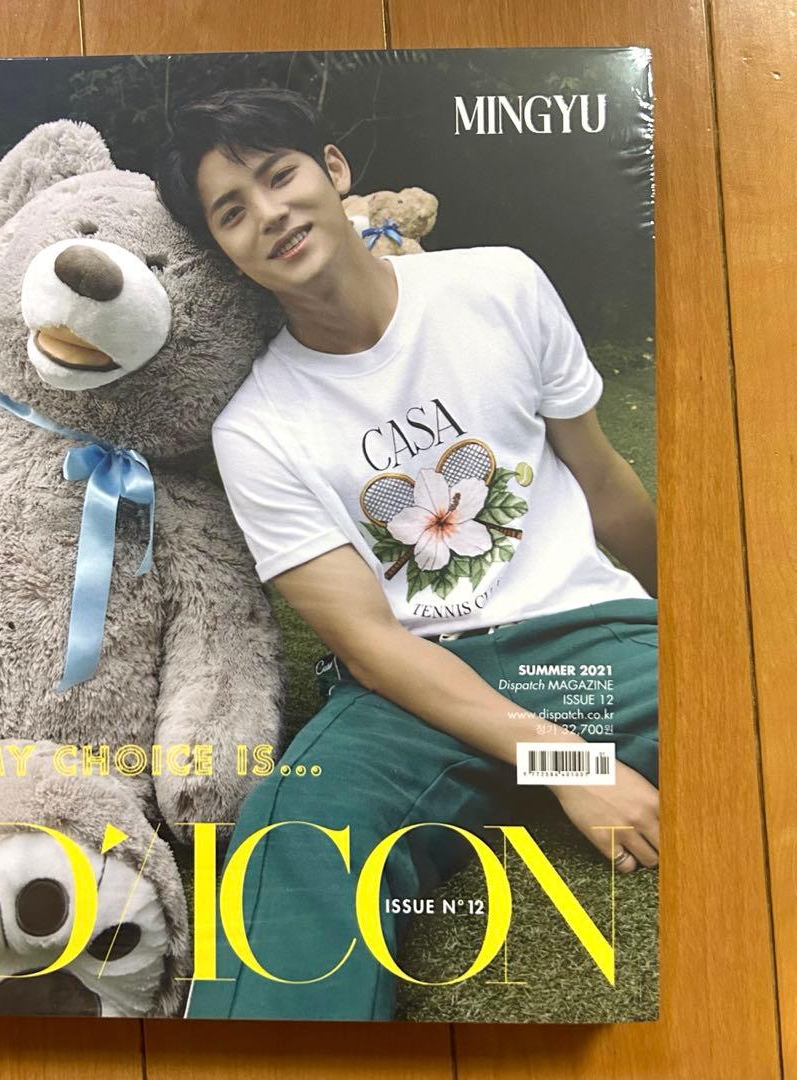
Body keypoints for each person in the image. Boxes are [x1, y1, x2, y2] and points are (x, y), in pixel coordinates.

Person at [156, 87, 658, 1021]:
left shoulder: (499, 285)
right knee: (293, 832)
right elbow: (374, 644)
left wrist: (701, 622)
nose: (270, 213)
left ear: (333, 169)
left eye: (280, 174)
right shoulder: (255, 429)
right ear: (224, 248)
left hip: (590, 638)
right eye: (231, 210)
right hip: (413, 689)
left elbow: (603, 478)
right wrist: (574, 768)